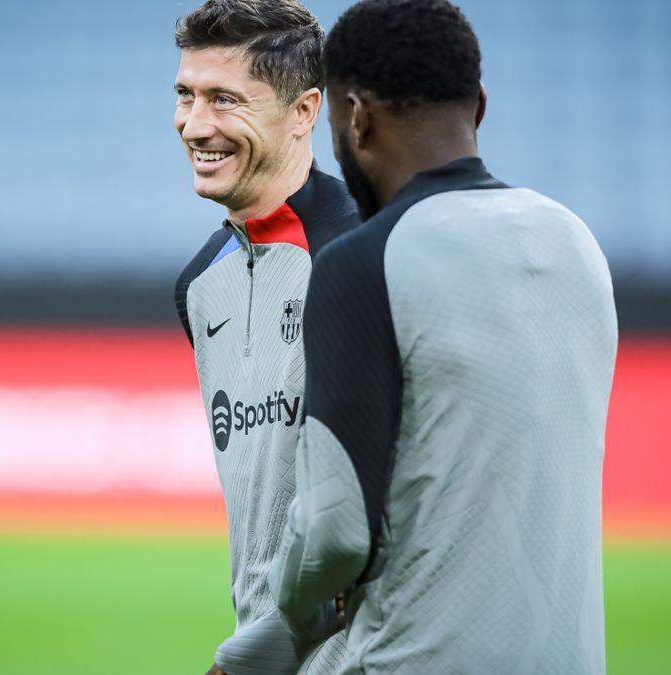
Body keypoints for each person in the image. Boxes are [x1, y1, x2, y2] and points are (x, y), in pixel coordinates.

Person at [270, 0, 619, 672]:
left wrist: (287, 601)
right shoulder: (576, 244)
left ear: (357, 118)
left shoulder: (361, 263)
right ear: (479, 105)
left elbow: (333, 535)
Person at [171, 1, 359, 672]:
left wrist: (253, 654)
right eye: (186, 95)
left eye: (224, 99)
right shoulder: (198, 284)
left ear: (305, 111)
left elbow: (368, 520)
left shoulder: (365, 253)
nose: (195, 124)